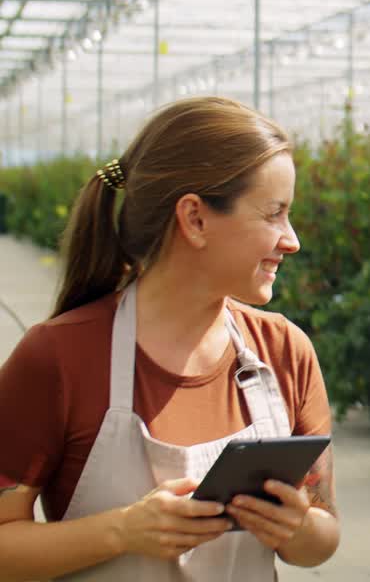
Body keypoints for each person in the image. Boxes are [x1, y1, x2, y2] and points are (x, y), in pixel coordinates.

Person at [0, 97, 339, 581]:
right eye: (273, 214)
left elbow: (322, 539)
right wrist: (123, 530)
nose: (292, 240)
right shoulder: (58, 358)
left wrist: (296, 527)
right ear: (195, 219)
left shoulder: (284, 351)